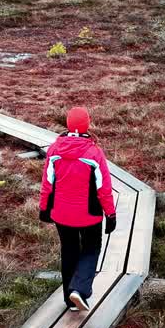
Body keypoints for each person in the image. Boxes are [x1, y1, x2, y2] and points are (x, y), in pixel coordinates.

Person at [38, 106, 117, 312]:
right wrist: (110, 213)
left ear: (68, 124)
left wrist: (44, 207)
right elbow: (104, 189)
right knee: (91, 249)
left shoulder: (54, 150)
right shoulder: (93, 152)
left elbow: (47, 183)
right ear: (87, 124)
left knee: (69, 251)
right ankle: (79, 290)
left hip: (61, 214)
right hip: (89, 215)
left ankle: (69, 300)